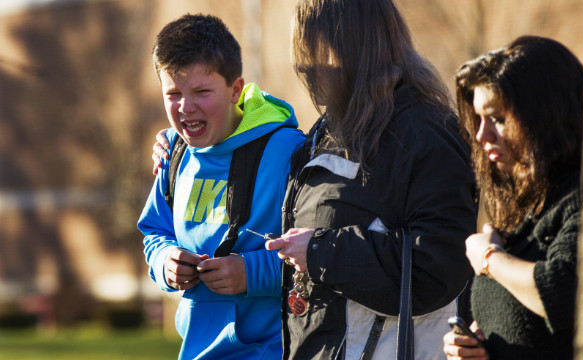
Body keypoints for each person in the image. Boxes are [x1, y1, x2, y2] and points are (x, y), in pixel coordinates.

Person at [262, 0, 477, 359]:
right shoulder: (330, 128)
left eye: (319, 50)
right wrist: (179, 145)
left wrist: (320, 250)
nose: (306, 67)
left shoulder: (426, 134)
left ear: (356, 47)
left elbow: (437, 268)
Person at [138, 14, 304, 360]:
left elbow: (325, 252)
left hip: (275, 351)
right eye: (173, 94)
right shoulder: (173, 152)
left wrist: (252, 273)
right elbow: (154, 231)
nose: (186, 107)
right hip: (195, 350)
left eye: (201, 92)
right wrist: (165, 261)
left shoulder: (288, 151)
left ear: (236, 90)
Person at [442, 36, 583, 360]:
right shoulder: (527, 208)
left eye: (497, 119)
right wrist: (476, 349)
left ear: (546, 116)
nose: (481, 135)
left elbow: (559, 290)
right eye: (478, 119)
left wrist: (490, 259)